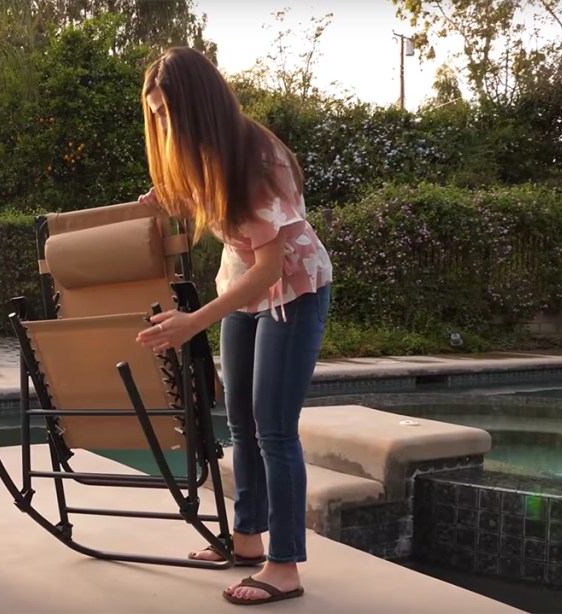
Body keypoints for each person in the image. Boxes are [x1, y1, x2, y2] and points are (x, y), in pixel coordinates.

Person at [133, 47, 333, 606]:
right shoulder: (200, 154)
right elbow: (204, 212)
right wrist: (163, 200)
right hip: (243, 292)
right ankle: (247, 540)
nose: (162, 125)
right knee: (240, 424)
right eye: (154, 116)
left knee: (274, 429)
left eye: (168, 112)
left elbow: (272, 266)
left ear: (197, 105)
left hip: (293, 292)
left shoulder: (257, 158)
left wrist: (192, 322)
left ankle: (285, 566)